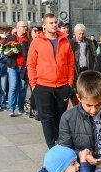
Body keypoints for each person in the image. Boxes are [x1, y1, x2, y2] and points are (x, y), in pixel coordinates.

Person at [28, 13, 75, 148]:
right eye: (51, 23)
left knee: (60, 118)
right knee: (47, 118)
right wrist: (33, 85)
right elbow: (31, 64)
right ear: (44, 25)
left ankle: (60, 144)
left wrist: (69, 83)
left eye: (55, 22)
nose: (54, 25)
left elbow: (70, 63)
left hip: (62, 86)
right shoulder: (36, 42)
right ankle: (51, 147)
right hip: (43, 86)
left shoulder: (65, 41)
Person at [8, 21, 30, 117]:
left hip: (24, 67)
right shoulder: (11, 38)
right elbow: (5, 52)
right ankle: (11, 109)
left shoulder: (28, 39)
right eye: (23, 26)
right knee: (13, 87)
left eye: (26, 26)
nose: (25, 28)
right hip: (13, 66)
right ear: (17, 28)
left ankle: (20, 108)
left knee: (22, 88)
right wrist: (10, 51)